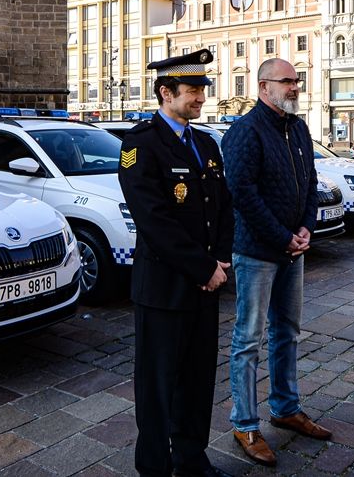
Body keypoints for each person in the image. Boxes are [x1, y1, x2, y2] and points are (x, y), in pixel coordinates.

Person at [117, 48, 235, 477]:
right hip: (164, 289)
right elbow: (154, 220)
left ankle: (190, 458)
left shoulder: (205, 143)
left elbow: (223, 206)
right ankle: (154, 466)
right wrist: (204, 269)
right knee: (157, 387)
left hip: (205, 287)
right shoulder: (139, 145)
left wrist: (220, 259)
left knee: (197, 381)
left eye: (203, 89)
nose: (201, 98)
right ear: (166, 92)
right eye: (192, 91)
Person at [222, 58, 331, 468]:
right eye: (287, 82)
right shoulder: (245, 131)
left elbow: (309, 184)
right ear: (264, 86)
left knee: (288, 332)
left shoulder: (298, 128)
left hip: (292, 249)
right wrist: (282, 236)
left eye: (297, 81)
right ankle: (245, 423)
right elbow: (242, 194)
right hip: (257, 252)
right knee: (248, 339)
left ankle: (286, 407)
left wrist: (305, 228)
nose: (295, 88)